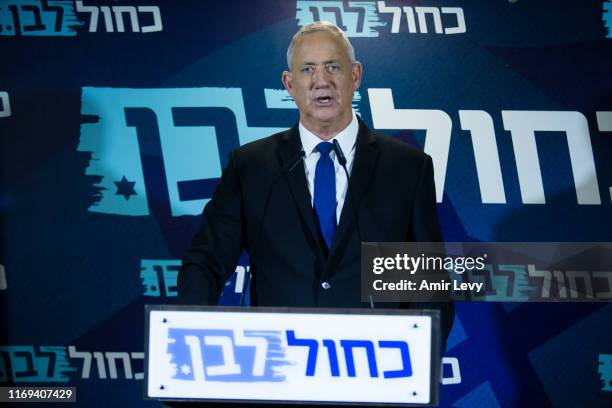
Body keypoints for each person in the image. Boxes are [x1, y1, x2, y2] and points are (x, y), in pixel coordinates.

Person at [178, 21, 454, 345]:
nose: (321, 81)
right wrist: (186, 340)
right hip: (281, 371)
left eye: (332, 67)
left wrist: (415, 363)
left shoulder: (407, 167)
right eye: (307, 69)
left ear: (355, 76)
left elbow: (430, 285)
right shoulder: (251, 167)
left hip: (376, 373)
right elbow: (206, 261)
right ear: (289, 83)